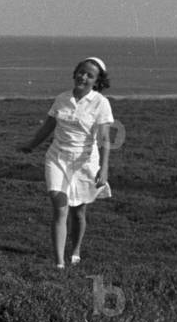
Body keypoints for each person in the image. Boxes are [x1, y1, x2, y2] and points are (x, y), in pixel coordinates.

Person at [20, 57, 114, 269]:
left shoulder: (101, 103)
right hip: (57, 158)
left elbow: (105, 139)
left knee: (78, 212)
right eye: (81, 72)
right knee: (59, 207)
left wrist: (104, 169)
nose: (83, 77)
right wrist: (30, 145)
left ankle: (75, 249)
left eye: (90, 75)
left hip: (85, 163)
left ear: (97, 81)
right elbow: (48, 127)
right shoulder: (62, 98)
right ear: (75, 73)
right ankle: (59, 264)